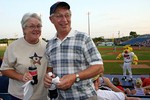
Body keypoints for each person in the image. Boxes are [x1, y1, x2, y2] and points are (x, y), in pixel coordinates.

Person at [44, 1, 104, 100]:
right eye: (59, 16)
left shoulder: (83, 38)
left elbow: (99, 67)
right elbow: (50, 69)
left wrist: (75, 77)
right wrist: (47, 77)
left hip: (85, 97)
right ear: (51, 19)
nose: (64, 20)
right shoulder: (50, 44)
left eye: (67, 15)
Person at [0, 13, 48, 100]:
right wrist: (21, 77)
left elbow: (50, 67)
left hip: (42, 96)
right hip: (19, 96)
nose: (36, 29)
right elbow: (4, 69)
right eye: (32, 26)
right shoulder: (13, 47)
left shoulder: (47, 46)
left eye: (38, 26)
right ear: (24, 29)